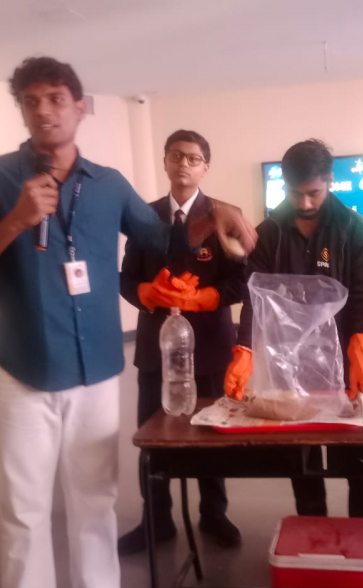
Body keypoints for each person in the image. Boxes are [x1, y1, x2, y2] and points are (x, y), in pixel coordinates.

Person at [0, 57, 256, 588]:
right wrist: (14, 222)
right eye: (31, 101)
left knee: (95, 505)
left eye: (56, 99)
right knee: (25, 513)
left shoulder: (108, 185)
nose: (44, 110)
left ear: (80, 108)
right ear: (21, 110)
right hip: (25, 371)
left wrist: (218, 210)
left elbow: (166, 240)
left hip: (99, 370)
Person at [225, 139, 363, 579]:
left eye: (314, 193)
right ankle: (313, 527)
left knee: (359, 455)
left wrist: (362, 348)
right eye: (295, 193)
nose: (304, 203)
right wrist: (245, 350)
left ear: (330, 182)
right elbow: (254, 298)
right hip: (288, 361)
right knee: (300, 455)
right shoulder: (268, 233)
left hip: (344, 359)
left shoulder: (354, 229)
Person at [118, 130, 244, 554]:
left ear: (206, 167)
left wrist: (205, 297)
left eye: (193, 158)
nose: (184, 164)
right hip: (156, 345)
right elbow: (127, 278)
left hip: (209, 344)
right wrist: (145, 294)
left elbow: (242, 280)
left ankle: (214, 513)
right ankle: (156, 520)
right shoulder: (145, 216)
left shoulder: (224, 215)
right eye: (176, 156)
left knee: (211, 433)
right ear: (165, 162)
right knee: (152, 435)